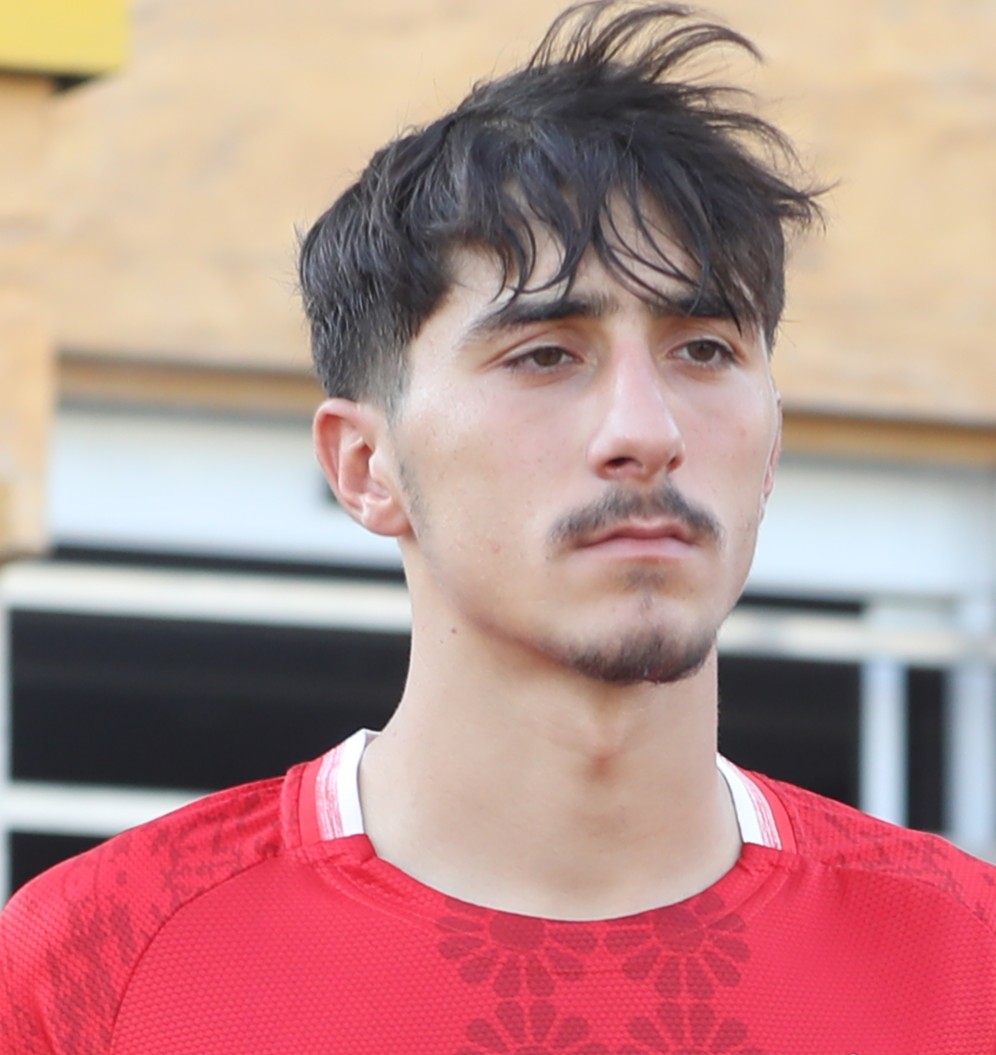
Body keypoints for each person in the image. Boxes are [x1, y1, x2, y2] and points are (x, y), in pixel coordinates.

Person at [2, 2, 994, 1051]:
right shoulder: (95, 964)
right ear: (366, 465)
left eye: (703, 350)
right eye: (545, 355)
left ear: (774, 442)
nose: (647, 431)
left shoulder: (967, 961)